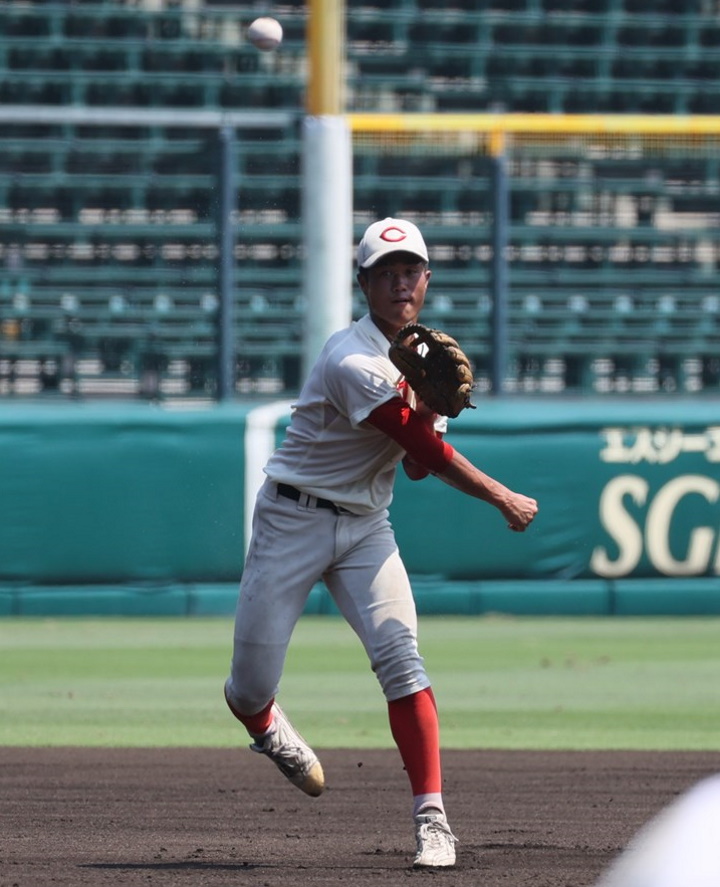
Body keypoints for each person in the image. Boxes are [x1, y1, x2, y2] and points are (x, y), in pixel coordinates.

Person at [224, 217, 538, 868]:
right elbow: (425, 450)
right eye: (386, 273)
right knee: (249, 686)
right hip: (292, 519)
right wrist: (502, 495)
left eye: (410, 271)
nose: (400, 283)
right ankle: (264, 725)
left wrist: (428, 400)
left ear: (426, 280)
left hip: (366, 524)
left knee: (403, 661)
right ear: (363, 283)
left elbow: (415, 467)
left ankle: (433, 820)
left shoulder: (422, 358)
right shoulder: (352, 358)